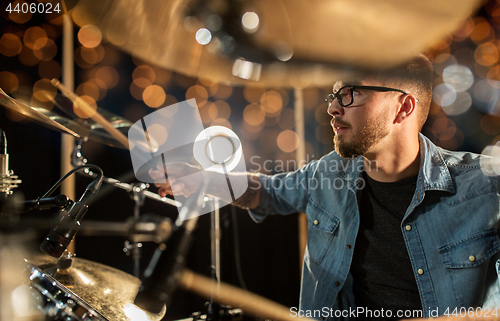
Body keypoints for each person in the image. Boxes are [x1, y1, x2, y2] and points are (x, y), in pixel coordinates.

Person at [150, 54, 500, 320]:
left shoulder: (486, 188)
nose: (333, 108)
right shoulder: (329, 173)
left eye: (350, 94)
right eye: (334, 95)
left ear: (402, 107)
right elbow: (265, 193)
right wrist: (206, 179)